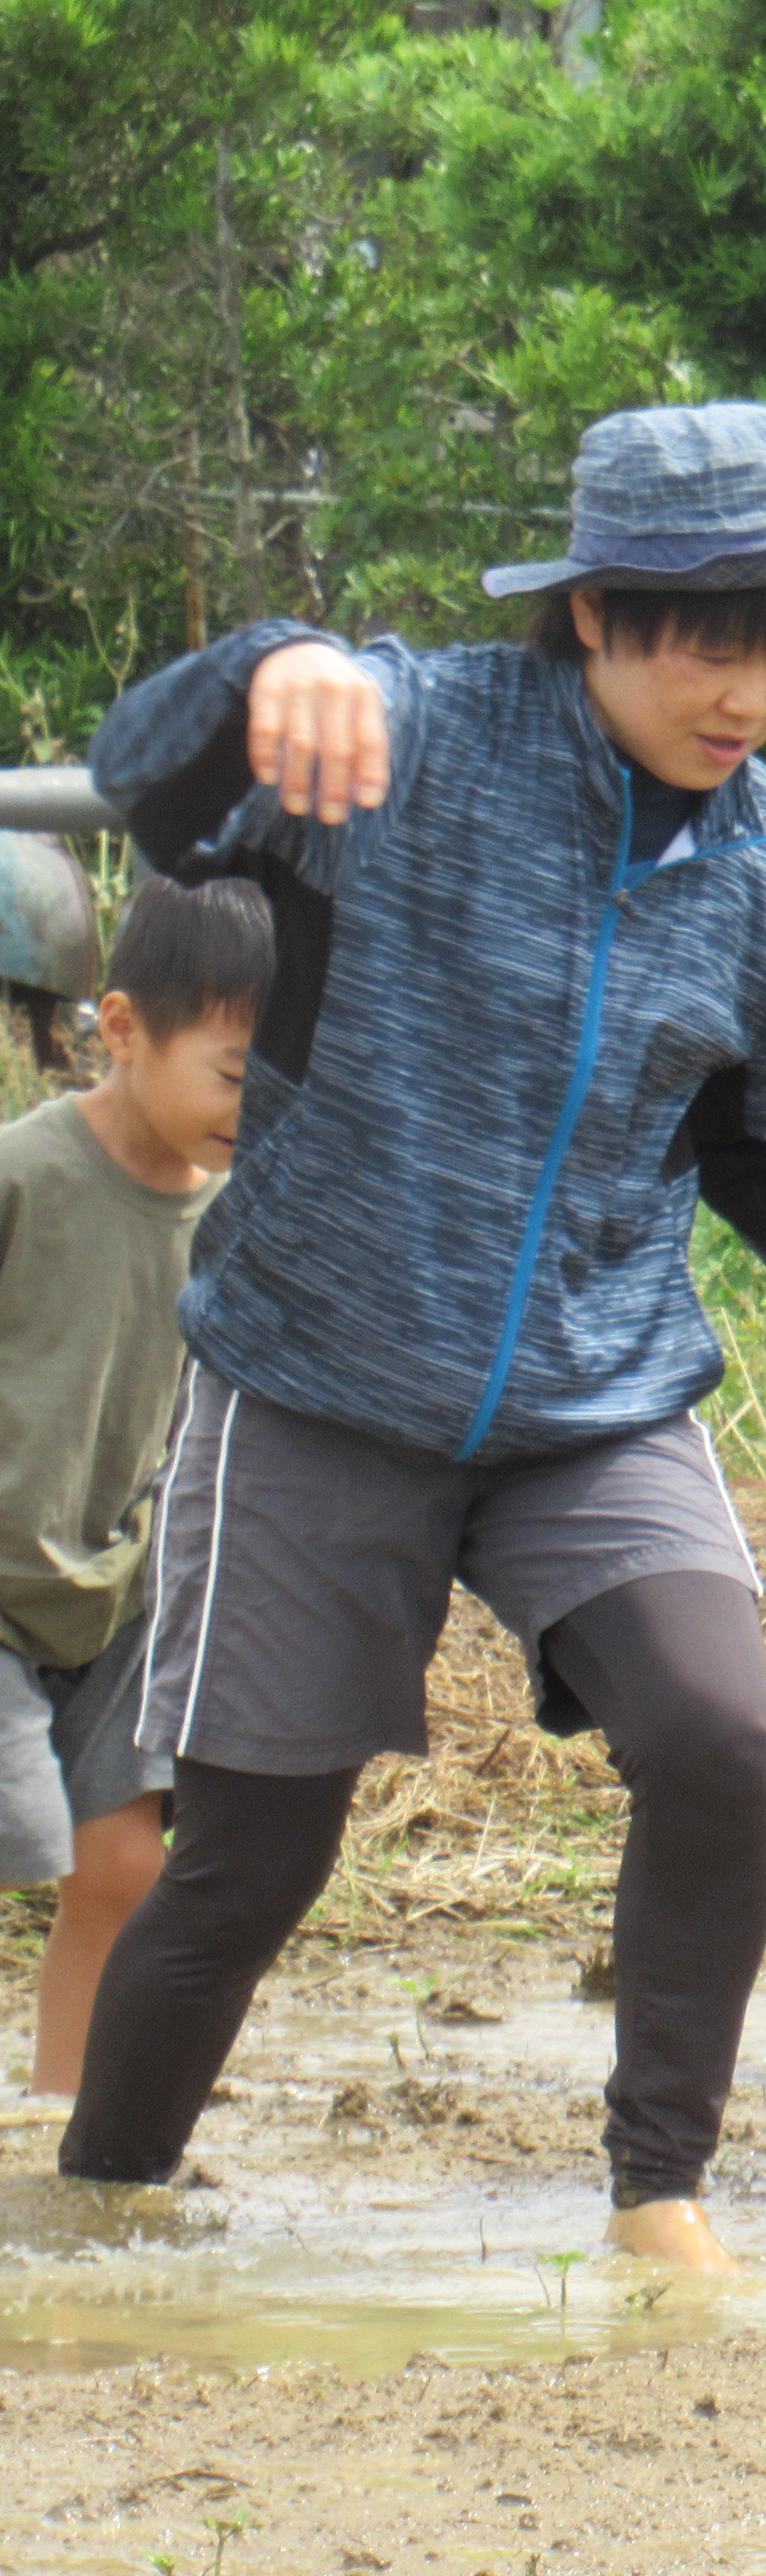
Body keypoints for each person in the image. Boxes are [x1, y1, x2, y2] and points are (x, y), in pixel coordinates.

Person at [60, 401, 766, 2267]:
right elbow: (138, 782)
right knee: (253, 1858)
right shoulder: (401, 741)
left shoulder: (752, 853)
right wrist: (282, 665)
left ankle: (661, 2193)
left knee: (717, 1731)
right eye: (706, 637)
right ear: (593, 614)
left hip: (593, 1391)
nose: (749, 689)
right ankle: (100, 2211)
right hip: (321, 1373)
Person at [2, 881, 267, 2097]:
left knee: (121, 1869)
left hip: (118, 1589)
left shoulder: (238, 1214)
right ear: (119, 1029)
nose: (251, 1106)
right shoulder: (27, 1174)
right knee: (23, 1843)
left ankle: (61, 2129)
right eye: (229, 1073)